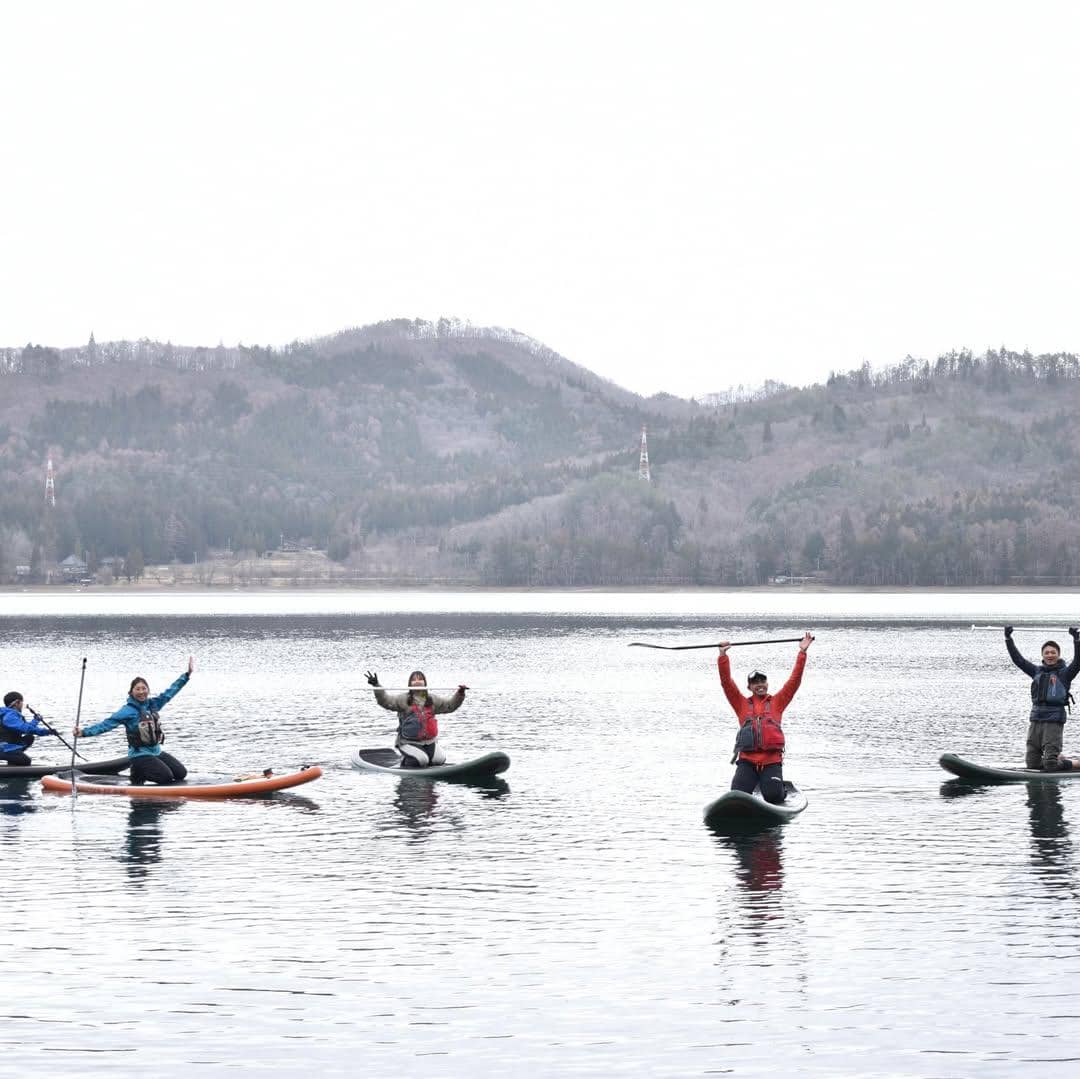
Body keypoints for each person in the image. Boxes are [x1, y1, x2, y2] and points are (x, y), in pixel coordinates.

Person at [717, 633, 814, 804]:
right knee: (737, 794)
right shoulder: (740, 704)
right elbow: (726, 683)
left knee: (773, 796)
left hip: (771, 762)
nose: (760, 684)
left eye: (763, 681)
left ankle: (778, 789)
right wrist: (723, 656)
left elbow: (794, 680)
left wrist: (802, 652)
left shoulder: (778, 702)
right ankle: (753, 785)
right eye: (755, 682)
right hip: (747, 762)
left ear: (767, 684)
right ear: (749, 687)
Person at [75, 657, 194, 785]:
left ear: (148, 690)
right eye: (137, 689)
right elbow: (105, 725)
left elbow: (170, 692)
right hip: (139, 755)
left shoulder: (153, 704)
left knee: (181, 774)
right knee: (166, 777)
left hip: (156, 751)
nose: (141, 692)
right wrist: (83, 732)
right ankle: (138, 771)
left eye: (144, 688)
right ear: (131, 692)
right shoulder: (127, 711)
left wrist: (186, 675)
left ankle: (139, 771)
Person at [1005, 626, 1080, 771]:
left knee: (1050, 764)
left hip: (1054, 720)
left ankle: (1076, 763)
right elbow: (1018, 660)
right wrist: (1008, 639)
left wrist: (1076, 640)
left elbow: (1078, 661)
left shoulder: (1065, 674)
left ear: (1058, 655)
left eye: (1053, 652)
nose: (1050, 655)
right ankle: (1059, 759)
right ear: (1043, 655)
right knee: (1032, 764)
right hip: (1036, 719)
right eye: (1047, 652)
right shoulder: (1036, 671)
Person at [366, 669, 466, 768]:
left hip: (430, 742)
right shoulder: (403, 699)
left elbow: (450, 706)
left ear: (424, 682)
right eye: (414, 680)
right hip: (408, 742)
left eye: (420, 679)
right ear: (410, 683)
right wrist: (377, 686)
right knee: (422, 760)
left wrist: (460, 694)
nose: (417, 681)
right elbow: (385, 701)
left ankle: (423, 756)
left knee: (439, 760)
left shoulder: (432, 699)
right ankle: (405, 761)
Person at [0, 691, 60, 766]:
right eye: (22, 702)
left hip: (7, 746)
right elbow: (25, 728)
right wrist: (47, 731)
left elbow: (25, 727)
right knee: (26, 761)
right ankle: (14, 759)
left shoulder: (8, 713)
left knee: (29, 737)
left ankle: (13, 759)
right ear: (16, 703)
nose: (22, 705)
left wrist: (36, 720)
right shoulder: (10, 715)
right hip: (4, 747)